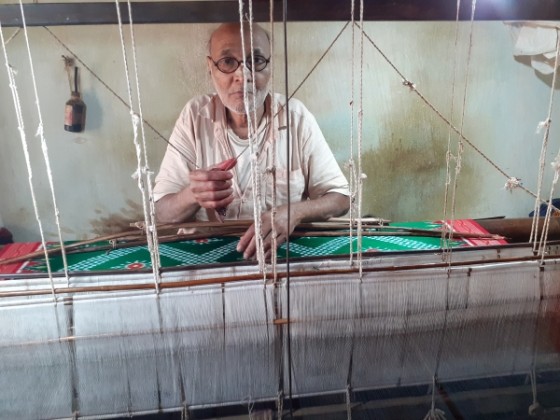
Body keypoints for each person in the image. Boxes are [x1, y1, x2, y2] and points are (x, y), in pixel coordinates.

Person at [153, 22, 350, 260]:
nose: (243, 76)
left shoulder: (296, 116)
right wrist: (192, 195)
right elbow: (161, 212)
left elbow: (340, 198)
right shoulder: (195, 116)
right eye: (227, 62)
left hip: (276, 256)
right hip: (206, 260)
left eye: (255, 61)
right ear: (210, 67)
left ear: (269, 65)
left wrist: (292, 213)